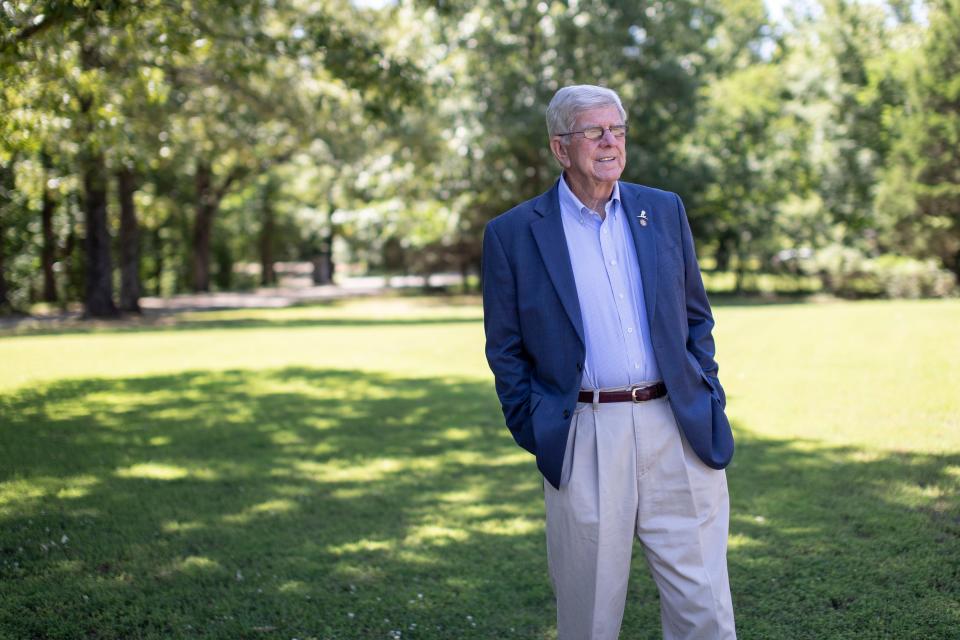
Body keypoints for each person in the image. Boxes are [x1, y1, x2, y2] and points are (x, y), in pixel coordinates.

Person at [481, 84, 736, 640]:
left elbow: (697, 316)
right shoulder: (512, 234)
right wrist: (540, 428)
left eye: (617, 130)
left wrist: (706, 390)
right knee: (589, 614)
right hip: (586, 435)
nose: (609, 143)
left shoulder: (663, 210)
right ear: (560, 147)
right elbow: (504, 349)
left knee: (706, 606)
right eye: (593, 131)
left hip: (677, 426)